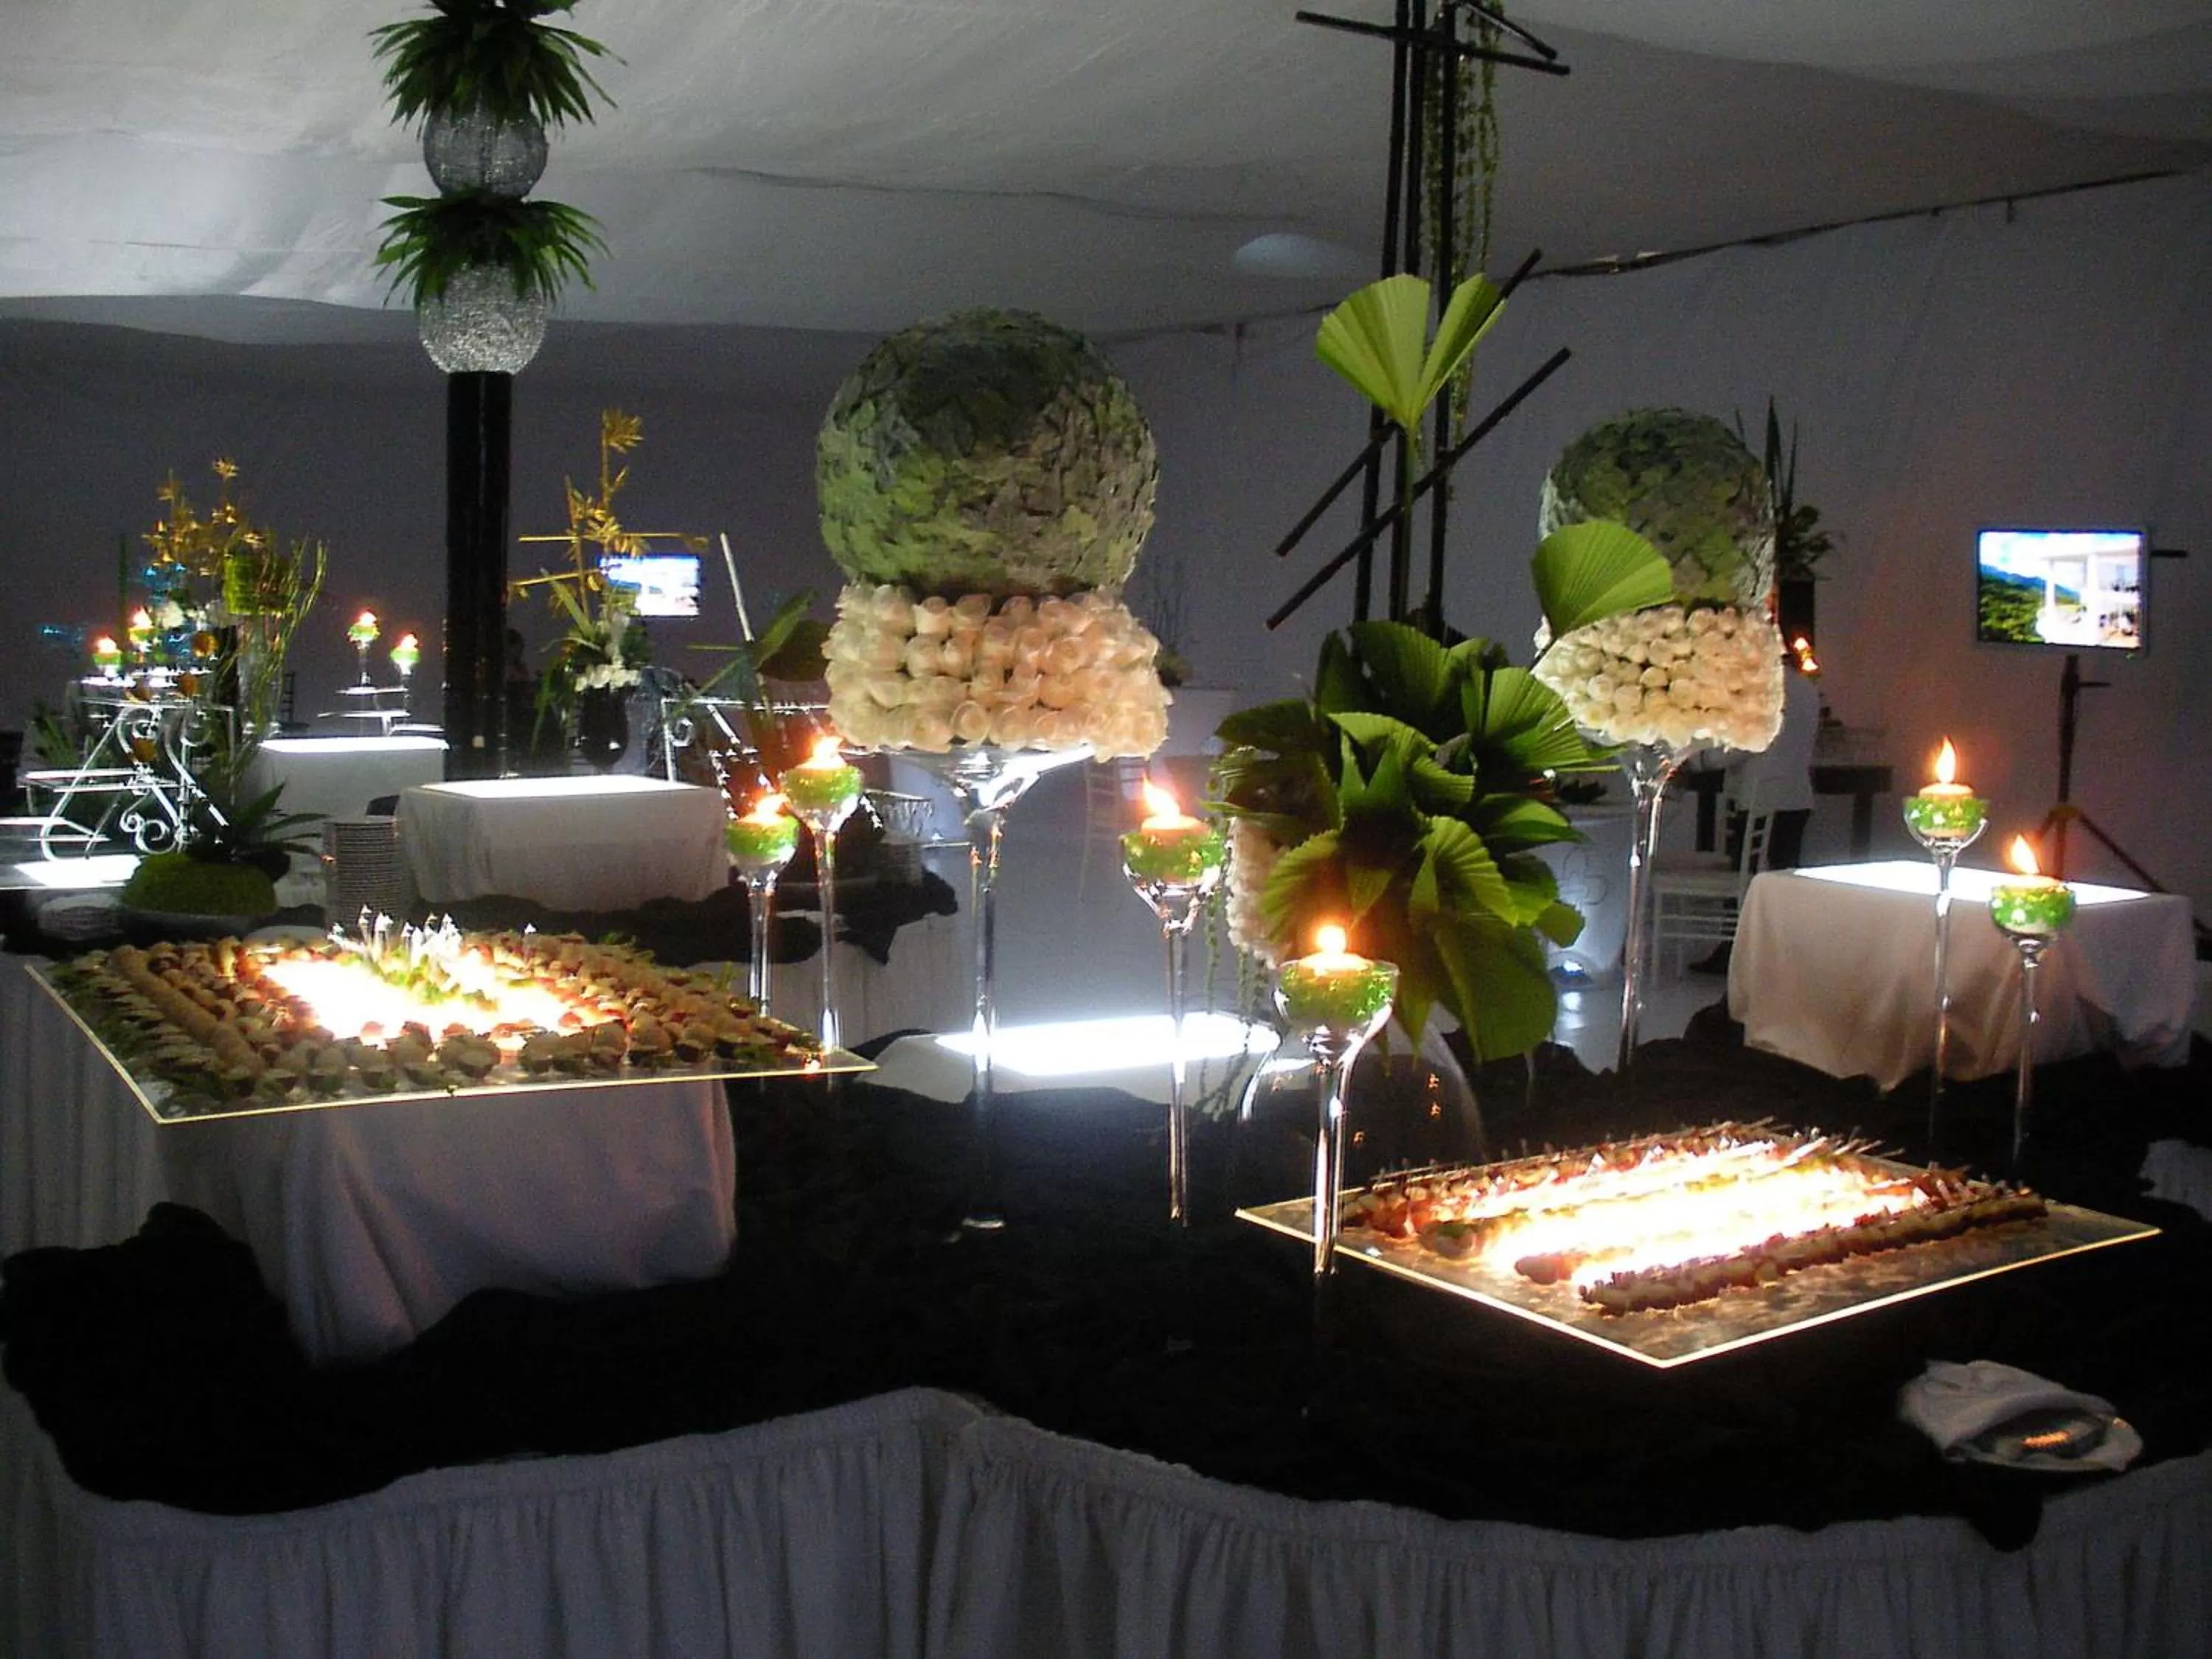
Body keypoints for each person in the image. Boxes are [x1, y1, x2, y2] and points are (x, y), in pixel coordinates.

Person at [1691, 658, 1820, 973]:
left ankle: (1737, 951)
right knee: (1784, 880)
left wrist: (1700, 760)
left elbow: (1745, 744)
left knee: (1746, 879)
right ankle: (1779, 952)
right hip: (1796, 795)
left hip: (1759, 797)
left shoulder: (1765, 688)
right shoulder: (1805, 687)